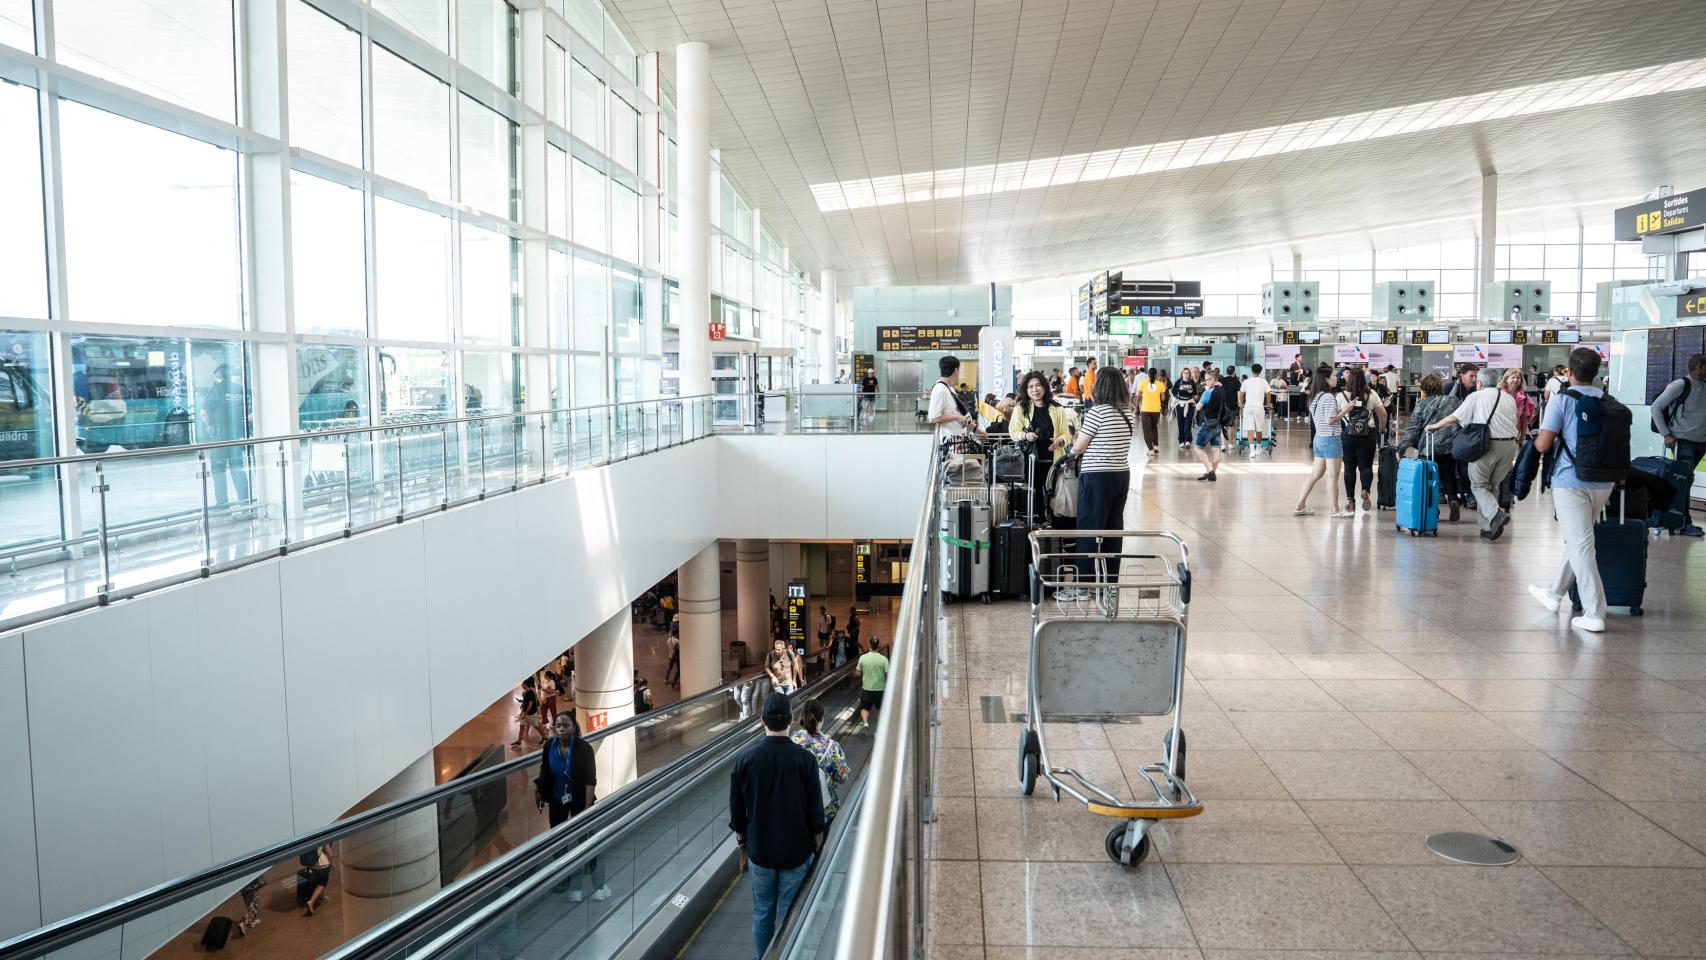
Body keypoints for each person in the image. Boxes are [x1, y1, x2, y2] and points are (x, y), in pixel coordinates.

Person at [1528, 348, 1620, 632]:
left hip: (1571, 481)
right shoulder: (1609, 401)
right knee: (1578, 539)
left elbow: (1542, 444)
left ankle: (1595, 613)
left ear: (1569, 372)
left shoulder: (1562, 401)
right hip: (1604, 481)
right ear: (1596, 373)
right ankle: (1555, 594)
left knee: (1581, 544)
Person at [730, 693, 825, 960]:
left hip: (760, 851)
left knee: (762, 914)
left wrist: (743, 847)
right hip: (796, 852)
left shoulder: (745, 761)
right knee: (789, 914)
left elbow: (737, 813)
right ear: (792, 719)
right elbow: (816, 814)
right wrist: (816, 846)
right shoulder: (805, 760)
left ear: (762, 722)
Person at [1062, 372, 1135, 599]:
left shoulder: (1098, 411)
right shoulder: (1128, 412)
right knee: (1113, 530)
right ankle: (1109, 584)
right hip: (1121, 475)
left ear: (1100, 386)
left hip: (1097, 476)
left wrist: (1068, 451)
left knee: (1089, 530)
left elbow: (1080, 446)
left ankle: (1082, 586)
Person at [1428, 366, 1518, 541]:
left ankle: (1495, 514)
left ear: (1480, 382)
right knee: (1492, 486)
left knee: (1478, 485)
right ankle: (1487, 527)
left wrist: (1435, 426)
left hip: (1487, 446)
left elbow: (1455, 417)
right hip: (1509, 447)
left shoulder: (1476, 396)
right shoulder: (1508, 398)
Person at [534, 712, 610, 901]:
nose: (561, 729)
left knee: (586, 839)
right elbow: (545, 769)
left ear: (574, 728)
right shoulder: (550, 745)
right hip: (558, 798)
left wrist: (585, 810)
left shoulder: (583, 749)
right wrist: (539, 790)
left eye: (565, 725)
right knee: (558, 840)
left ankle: (596, 883)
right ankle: (563, 880)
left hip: (580, 800)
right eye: (558, 725)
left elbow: (590, 780)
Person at [1649, 351, 1706, 537]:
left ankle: (1676, 519)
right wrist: (1666, 434)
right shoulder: (1681, 385)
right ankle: (1683, 522)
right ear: (1697, 367)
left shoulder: (1704, 386)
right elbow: (1656, 407)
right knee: (1685, 480)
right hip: (1682, 441)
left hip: (1701, 441)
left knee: (1686, 480)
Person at [1401, 373, 1464, 522]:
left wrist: (1403, 447)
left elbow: (1414, 428)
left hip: (1428, 448)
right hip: (1449, 446)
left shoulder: (1422, 404)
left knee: (1429, 479)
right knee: (1448, 476)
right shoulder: (1453, 401)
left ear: (1424, 389)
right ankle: (1453, 500)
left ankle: (1432, 510)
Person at [1010, 371, 1073, 513]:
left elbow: (1066, 434)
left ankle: (1051, 522)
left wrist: (1060, 441)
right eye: (1030, 386)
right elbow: (1013, 432)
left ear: (1044, 387)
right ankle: (1034, 523)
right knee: (1033, 493)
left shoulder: (1057, 408)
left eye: (1038, 385)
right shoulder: (1021, 408)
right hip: (1029, 460)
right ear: (1025, 390)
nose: (1035, 390)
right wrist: (1026, 436)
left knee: (1054, 493)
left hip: (1053, 461)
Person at [1292, 365, 1344, 516]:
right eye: (1333, 375)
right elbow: (1330, 420)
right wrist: (1346, 410)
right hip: (1331, 439)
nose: (1336, 378)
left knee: (1315, 475)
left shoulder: (1314, 397)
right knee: (1333, 476)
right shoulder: (1328, 397)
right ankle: (1335, 510)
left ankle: (1300, 505)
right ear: (1327, 380)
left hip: (1319, 439)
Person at [1334, 368, 1387, 514]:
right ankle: (1365, 491)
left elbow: (1336, 416)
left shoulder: (1341, 395)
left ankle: (1350, 501)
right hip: (1367, 434)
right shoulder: (1371, 393)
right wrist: (1382, 428)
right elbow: (1382, 414)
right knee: (1366, 466)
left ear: (1348, 379)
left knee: (1349, 468)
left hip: (1348, 435)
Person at [790, 698, 850, 821]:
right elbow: (842, 778)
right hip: (824, 809)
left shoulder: (792, 742)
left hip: (797, 807)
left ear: (802, 718)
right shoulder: (832, 747)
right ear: (821, 719)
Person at [199, 363, 250, 507]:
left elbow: (204, 412)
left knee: (218, 470)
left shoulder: (216, 388)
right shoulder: (237, 389)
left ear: (218, 375)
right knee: (237, 469)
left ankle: (222, 504)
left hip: (220, 438)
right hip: (236, 437)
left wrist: (209, 426)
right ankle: (245, 503)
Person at [1193, 371, 1227, 481]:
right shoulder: (1222, 390)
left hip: (1208, 424)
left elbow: (1198, 407)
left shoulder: (1207, 393)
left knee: (1198, 448)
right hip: (1218, 424)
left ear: (1212, 380)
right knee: (1216, 449)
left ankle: (1209, 470)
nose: (1205, 382)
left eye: (1207, 380)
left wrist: (1199, 399)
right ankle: (1213, 474)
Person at [1238, 362, 1272, 457]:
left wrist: (1241, 403)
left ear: (1251, 371)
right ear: (1260, 371)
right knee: (1259, 429)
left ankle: (1252, 450)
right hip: (1258, 407)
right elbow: (1268, 394)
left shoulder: (1246, 381)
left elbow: (1241, 394)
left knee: (1250, 429)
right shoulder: (1263, 381)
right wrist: (1269, 404)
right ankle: (1258, 447)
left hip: (1248, 407)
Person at [855, 636, 889, 729]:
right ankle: (879, 728)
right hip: (880, 689)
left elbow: (857, 673)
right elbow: (888, 674)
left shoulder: (863, 658)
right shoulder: (884, 659)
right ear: (878, 645)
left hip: (867, 689)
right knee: (882, 709)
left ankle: (865, 723)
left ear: (869, 645)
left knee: (864, 708)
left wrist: (863, 673)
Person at [1137, 367, 1168, 458]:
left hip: (1145, 409)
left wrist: (1135, 408)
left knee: (1147, 430)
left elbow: (1138, 396)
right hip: (1156, 410)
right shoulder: (1160, 384)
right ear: (1156, 374)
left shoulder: (1143, 383)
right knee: (1154, 427)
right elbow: (1163, 398)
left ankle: (1150, 450)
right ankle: (1156, 446)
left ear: (1148, 374)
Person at [1501, 367, 1537, 437]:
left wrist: (1523, 435)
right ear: (1506, 379)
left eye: (1518, 378)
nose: (1515, 380)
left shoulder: (1524, 398)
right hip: (1498, 435)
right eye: (1513, 377)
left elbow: (1524, 419)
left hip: (1515, 435)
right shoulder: (1498, 395)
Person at [512, 677, 545, 749]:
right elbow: (525, 704)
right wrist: (522, 713)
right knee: (522, 727)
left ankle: (544, 738)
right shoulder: (526, 692)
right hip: (525, 714)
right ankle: (519, 741)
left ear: (526, 685)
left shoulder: (530, 693)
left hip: (530, 714)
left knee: (537, 727)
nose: (521, 685)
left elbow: (530, 705)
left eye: (522, 684)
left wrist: (525, 714)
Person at [1170, 366, 1199, 449]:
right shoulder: (1178, 382)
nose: (1186, 375)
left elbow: (1194, 392)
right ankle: (1181, 441)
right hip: (1180, 404)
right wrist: (1180, 389)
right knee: (1180, 423)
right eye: (1184, 373)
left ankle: (1188, 440)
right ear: (1182, 374)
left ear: (1189, 374)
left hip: (1189, 403)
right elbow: (1173, 391)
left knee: (1188, 423)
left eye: (1187, 373)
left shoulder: (1192, 382)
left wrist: (1191, 392)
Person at [300, 844, 333, 916]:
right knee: (322, 884)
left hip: (312, 864)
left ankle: (322, 898)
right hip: (322, 864)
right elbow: (329, 853)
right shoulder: (323, 836)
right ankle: (311, 902)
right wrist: (332, 860)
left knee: (318, 881)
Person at [665, 622, 681, 687]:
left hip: (670, 656)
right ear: (676, 633)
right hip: (676, 657)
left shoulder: (669, 639)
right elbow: (680, 649)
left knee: (669, 668)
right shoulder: (677, 641)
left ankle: (666, 679)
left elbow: (667, 645)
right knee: (679, 669)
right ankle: (674, 680)